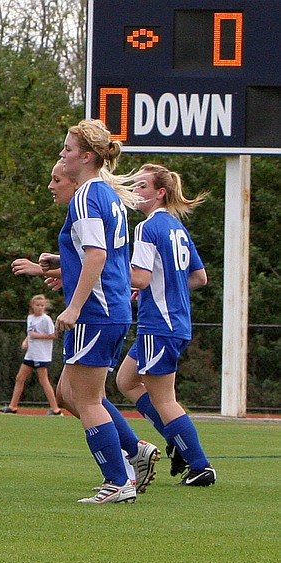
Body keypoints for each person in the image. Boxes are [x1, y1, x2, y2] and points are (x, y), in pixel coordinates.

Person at [38, 120, 159, 504]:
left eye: (67, 150)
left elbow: (98, 254)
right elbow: (103, 253)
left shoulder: (88, 195)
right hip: (110, 308)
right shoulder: (105, 194)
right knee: (68, 392)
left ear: (87, 156)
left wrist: (73, 307)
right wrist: (64, 262)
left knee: (86, 400)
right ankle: (132, 454)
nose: (62, 155)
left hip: (96, 311)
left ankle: (119, 480)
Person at [115, 164, 215, 487]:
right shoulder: (177, 228)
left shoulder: (147, 228)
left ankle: (199, 465)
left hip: (159, 324)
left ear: (160, 193)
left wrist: (106, 272)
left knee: (163, 399)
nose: (135, 191)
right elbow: (200, 277)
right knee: (126, 380)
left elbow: (140, 278)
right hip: (173, 323)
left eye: (141, 186)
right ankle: (178, 439)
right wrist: (167, 286)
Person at [0, 294, 62, 415]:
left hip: (41, 354)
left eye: (42, 305)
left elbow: (54, 335)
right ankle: (13, 406)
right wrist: (26, 341)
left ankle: (56, 409)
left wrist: (37, 336)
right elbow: (30, 333)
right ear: (32, 305)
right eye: (37, 305)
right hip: (31, 354)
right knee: (19, 378)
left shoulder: (46, 319)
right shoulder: (31, 318)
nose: (40, 307)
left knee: (43, 380)